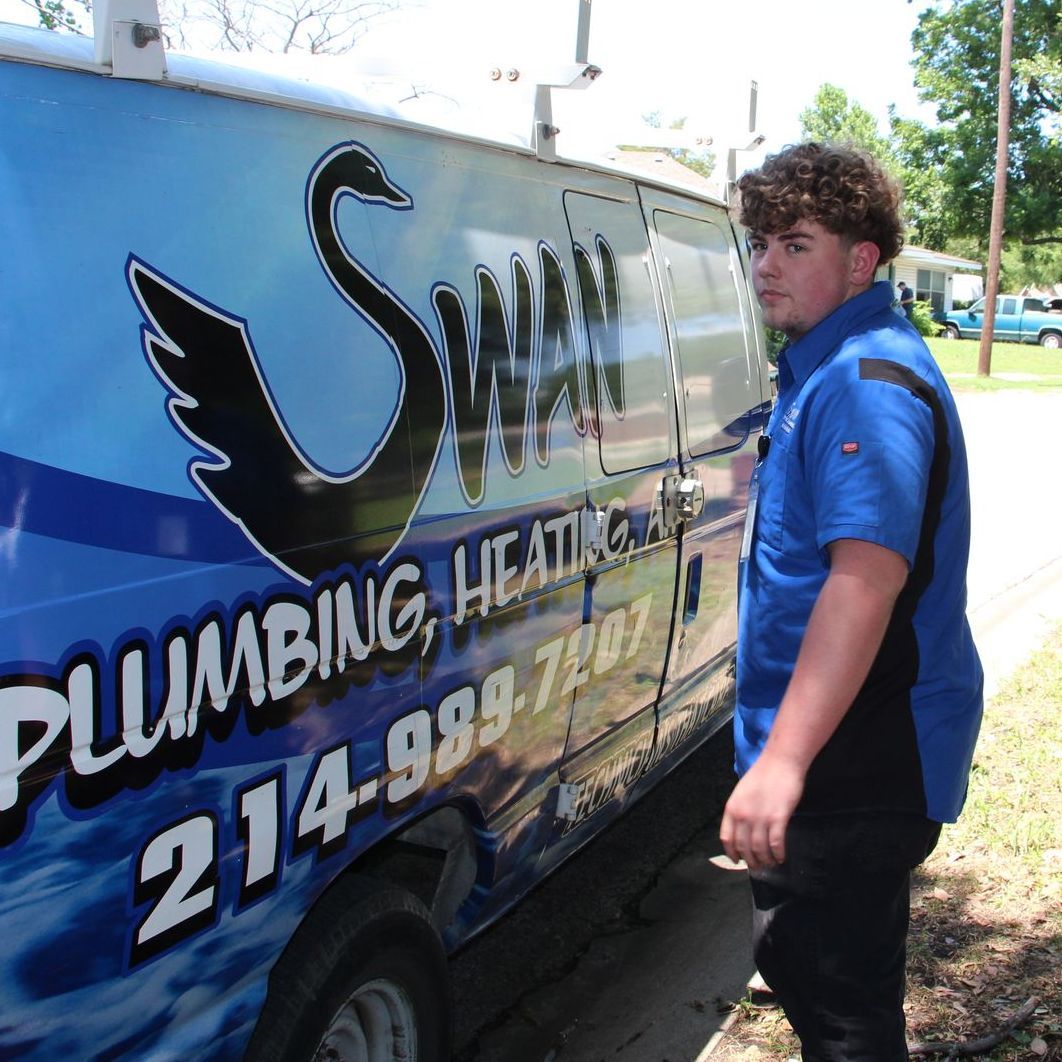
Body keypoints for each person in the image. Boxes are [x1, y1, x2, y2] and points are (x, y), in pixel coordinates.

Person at [720, 143, 983, 1060]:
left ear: (862, 259)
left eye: (796, 243)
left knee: (836, 1006)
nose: (765, 265)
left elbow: (863, 583)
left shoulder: (868, 384)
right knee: (825, 981)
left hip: (859, 755)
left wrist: (783, 766)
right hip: (845, 743)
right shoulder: (824, 367)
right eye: (760, 242)